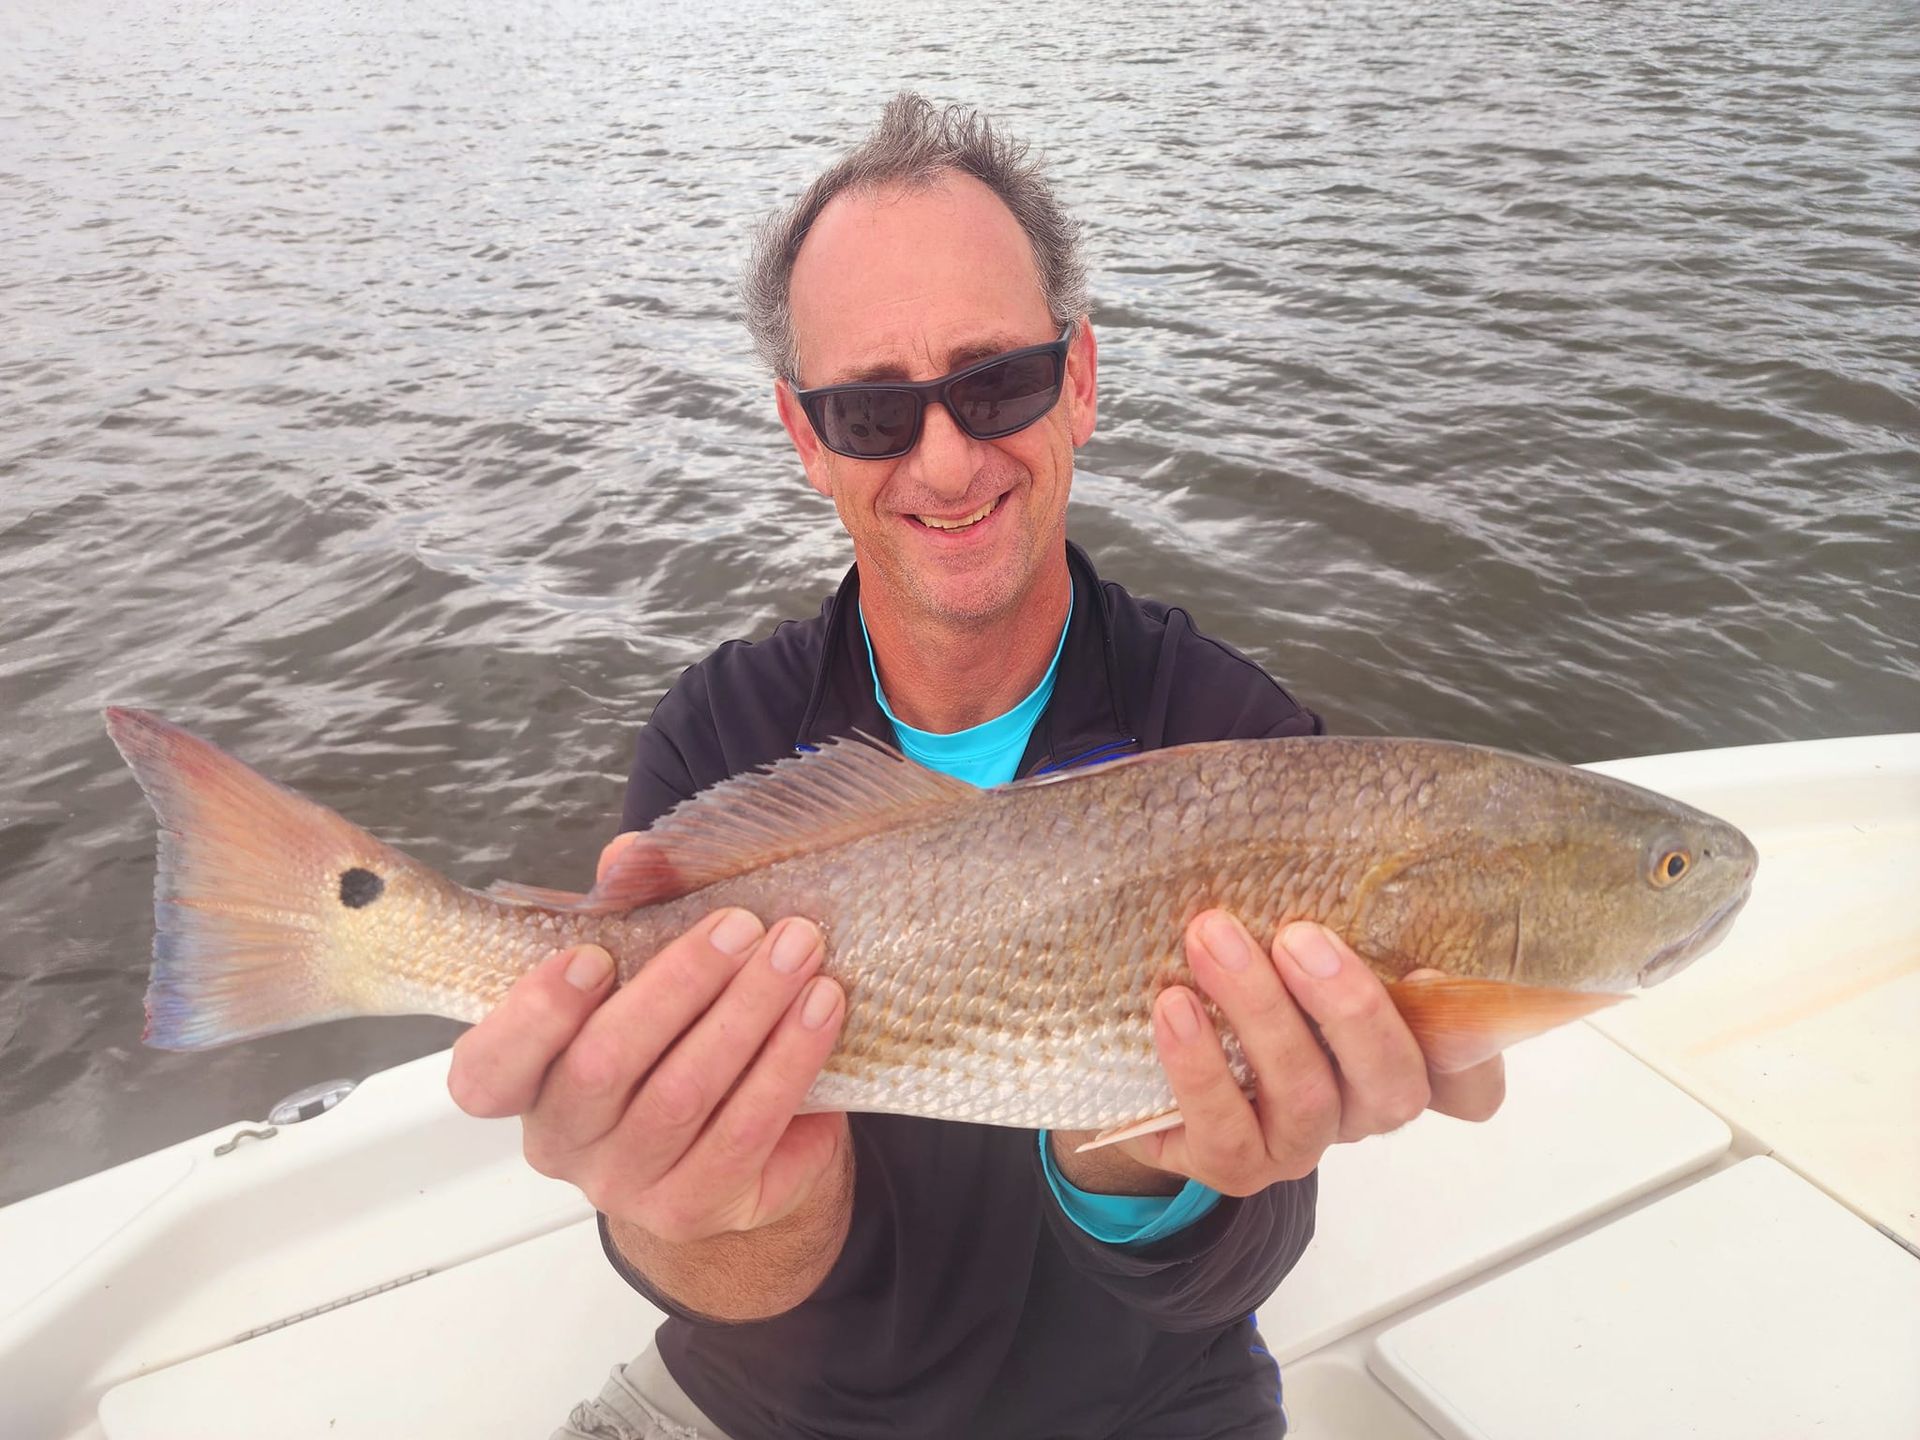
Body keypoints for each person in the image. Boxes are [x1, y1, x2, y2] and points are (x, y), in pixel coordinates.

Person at [446, 93, 1505, 1440]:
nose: (945, 458)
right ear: (802, 434)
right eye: (872, 412)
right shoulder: (717, 729)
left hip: (1137, 1407)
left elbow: (1230, 1270)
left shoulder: (1237, 741)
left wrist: (1131, 1145)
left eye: (994, 381)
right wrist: (716, 1211)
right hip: (779, 1403)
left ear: (1081, 382)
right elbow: (731, 1275)